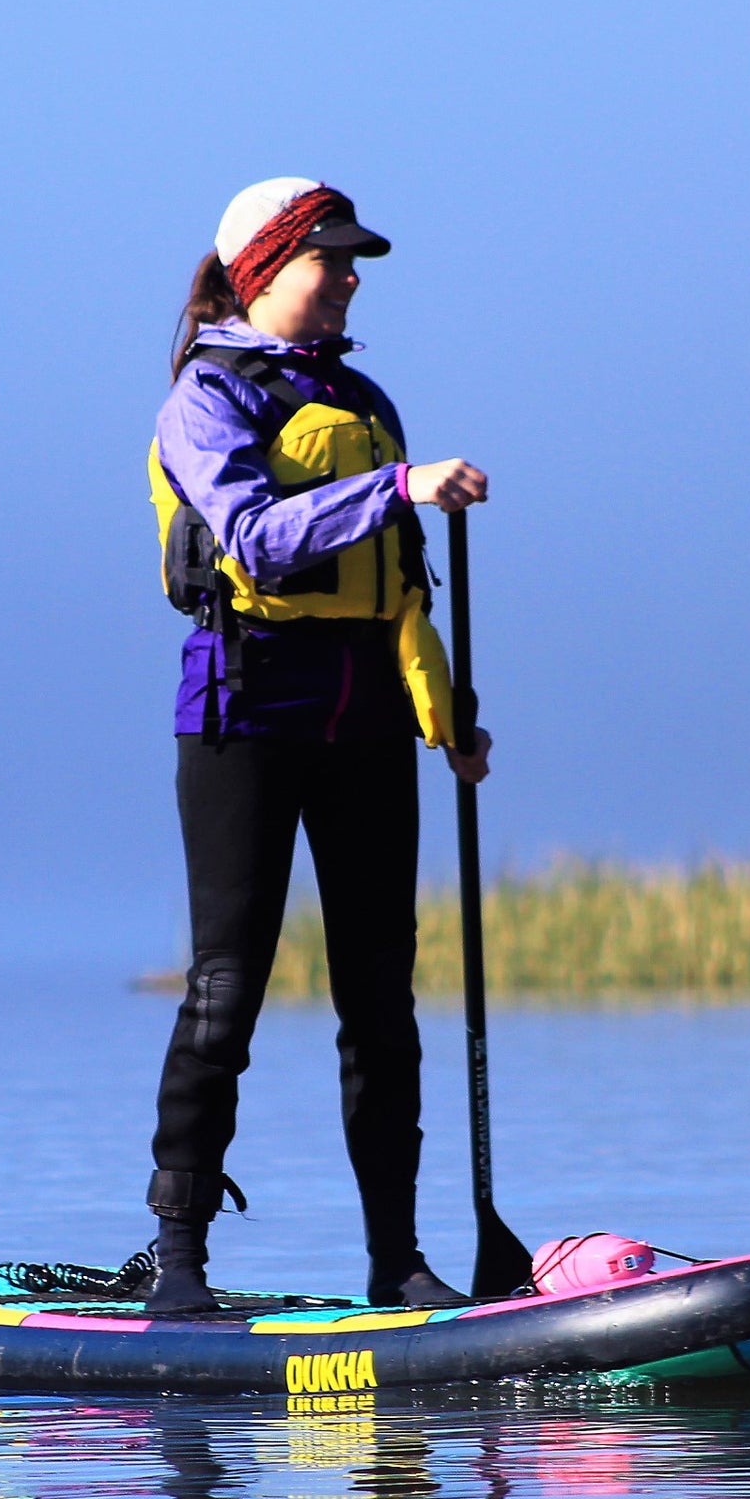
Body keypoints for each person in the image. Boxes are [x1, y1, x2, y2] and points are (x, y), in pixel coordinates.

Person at [144, 176, 491, 1316]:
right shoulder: (208, 395)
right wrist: (396, 486)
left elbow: (400, 596)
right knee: (226, 989)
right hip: (246, 709)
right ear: (262, 270)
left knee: (381, 1001)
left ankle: (398, 1262)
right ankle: (178, 1262)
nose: (346, 278)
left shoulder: (361, 397)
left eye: (352, 261)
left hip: (366, 718)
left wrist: (446, 717)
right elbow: (251, 538)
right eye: (326, 259)